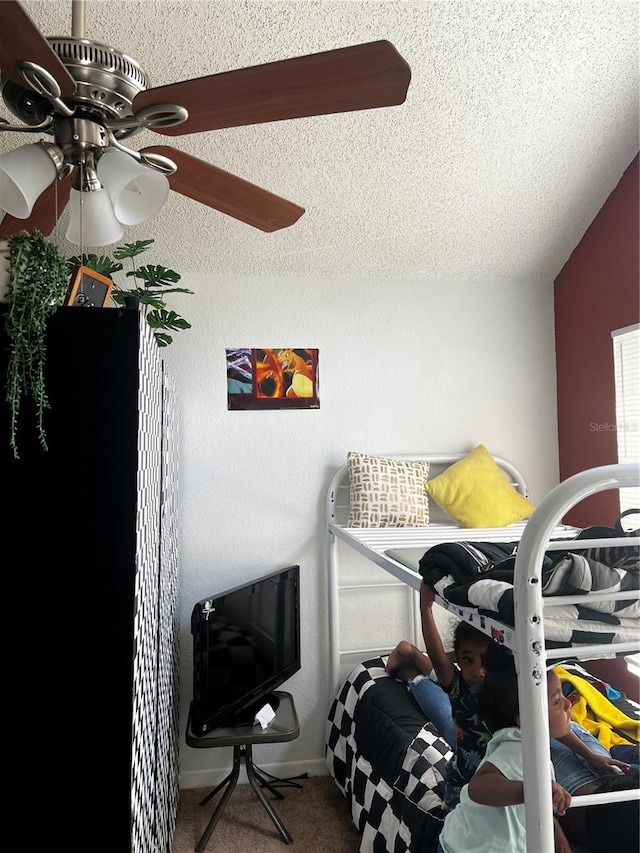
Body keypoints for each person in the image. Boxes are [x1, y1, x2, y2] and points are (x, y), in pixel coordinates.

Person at [437, 642, 574, 853]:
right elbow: (478, 786)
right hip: (463, 848)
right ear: (525, 718)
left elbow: (529, 804)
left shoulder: (527, 743)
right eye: (556, 701)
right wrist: (531, 790)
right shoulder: (517, 747)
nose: (568, 704)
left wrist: (555, 831)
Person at [385, 583, 492, 810]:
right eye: (467, 661)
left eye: (484, 661)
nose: (477, 670)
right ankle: (412, 668)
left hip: (486, 772)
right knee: (447, 708)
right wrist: (426, 608)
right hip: (462, 778)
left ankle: (410, 670)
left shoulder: (504, 689)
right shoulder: (460, 686)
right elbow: (437, 654)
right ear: (458, 660)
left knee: (447, 707)